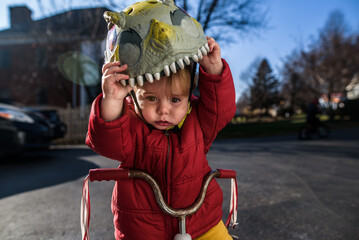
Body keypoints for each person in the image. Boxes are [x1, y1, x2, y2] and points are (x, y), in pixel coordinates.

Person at [86, 2, 236, 240]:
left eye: (176, 99)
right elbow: (106, 143)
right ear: (134, 94)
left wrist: (214, 70)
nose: (163, 110)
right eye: (151, 98)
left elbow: (222, 110)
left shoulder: (198, 121)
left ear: (190, 96)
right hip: (143, 230)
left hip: (201, 222)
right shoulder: (131, 126)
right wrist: (112, 101)